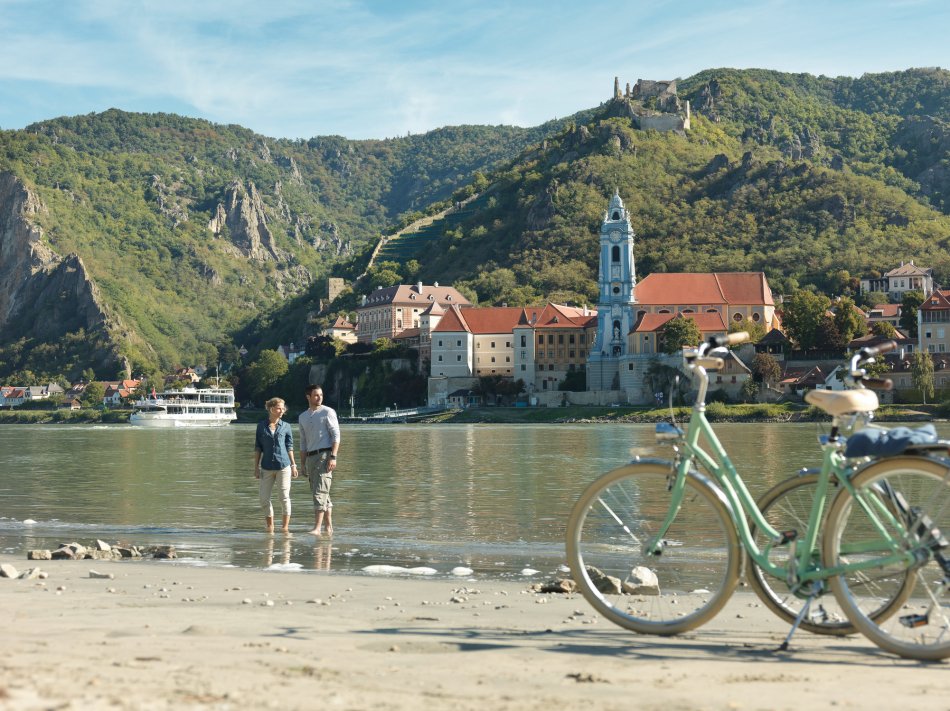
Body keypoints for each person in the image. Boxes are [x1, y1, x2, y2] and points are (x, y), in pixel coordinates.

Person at [298, 384, 340, 537]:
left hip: (325, 455)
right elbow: (303, 442)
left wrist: (333, 457)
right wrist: (302, 463)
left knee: (320, 491)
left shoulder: (328, 412)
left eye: (321, 395)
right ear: (308, 397)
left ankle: (317, 528)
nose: (319, 397)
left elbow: (336, 436)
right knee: (322, 492)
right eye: (316, 395)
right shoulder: (302, 417)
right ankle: (328, 527)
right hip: (310, 457)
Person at [254, 397, 298, 534]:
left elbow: (289, 447)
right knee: (263, 498)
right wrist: (256, 467)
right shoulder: (261, 426)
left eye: (283, 408)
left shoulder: (286, 426)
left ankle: (285, 527)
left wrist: (293, 465)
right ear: (271, 409)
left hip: (283, 466)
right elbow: (258, 448)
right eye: (279, 408)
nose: (282, 411)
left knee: (284, 497)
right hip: (266, 466)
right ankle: (270, 526)